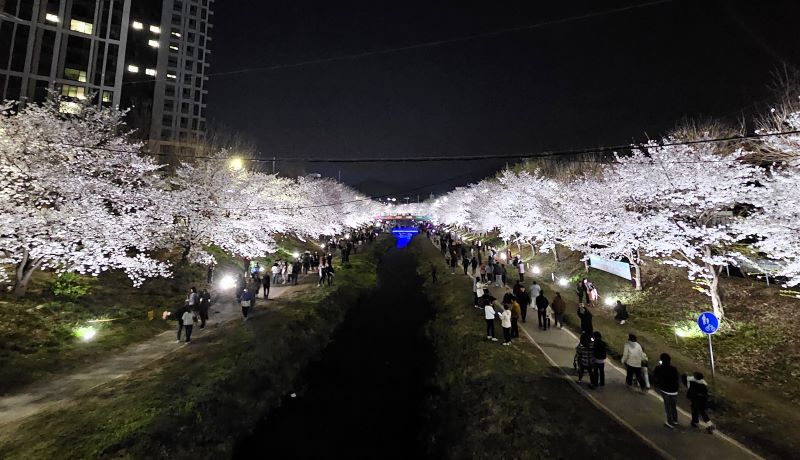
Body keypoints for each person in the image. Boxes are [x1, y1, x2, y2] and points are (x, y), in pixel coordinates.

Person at [653, 353, 680, 428]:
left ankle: (669, 422)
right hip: (674, 390)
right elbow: (677, 378)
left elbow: (655, 377)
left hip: (665, 390)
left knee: (667, 406)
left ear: (661, 360)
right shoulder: (674, 369)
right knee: (673, 406)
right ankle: (675, 420)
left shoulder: (658, 368)